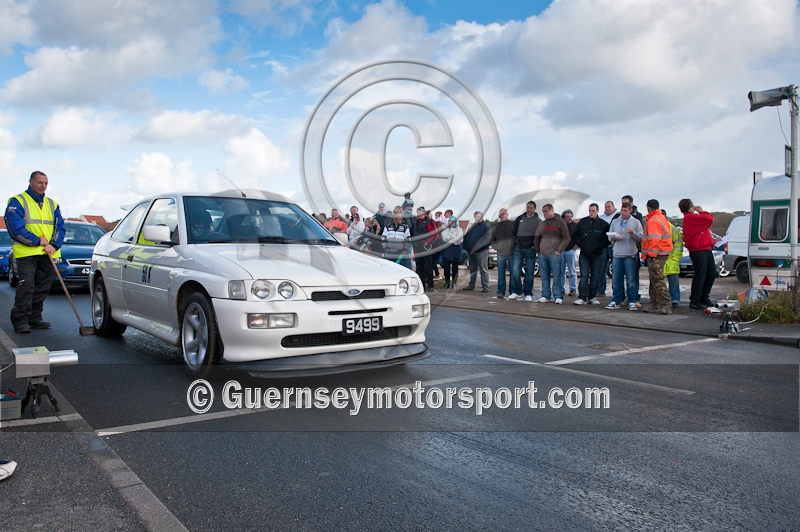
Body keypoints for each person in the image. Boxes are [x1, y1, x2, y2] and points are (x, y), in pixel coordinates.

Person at [6, 171, 66, 333]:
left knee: (42, 286)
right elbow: (15, 228)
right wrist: (37, 241)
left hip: (48, 253)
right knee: (27, 286)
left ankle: (35, 318)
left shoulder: (52, 204)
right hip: (27, 253)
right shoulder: (17, 202)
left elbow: (60, 227)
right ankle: (20, 320)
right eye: (40, 182)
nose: (43, 186)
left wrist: (54, 245)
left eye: (46, 183)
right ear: (31, 182)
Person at [679, 198, 717, 310]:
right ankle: (696, 300)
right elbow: (709, 219)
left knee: (711, 273)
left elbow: (704, 228)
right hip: (698, 250)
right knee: (701, 274)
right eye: (692, 205)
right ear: (689, 207)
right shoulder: (690, 218)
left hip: (705, 248)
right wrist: (701, 211)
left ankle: (703, 297)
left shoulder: (693, 219)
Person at [605, 202, 643, 311]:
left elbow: (641, 238)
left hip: (630, 254)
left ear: (630, 211)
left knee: (631, 280)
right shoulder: (615, 221)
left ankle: (632, 300)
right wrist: (614, 237)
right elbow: (609, 236)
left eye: (625, 210)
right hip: (617, 253)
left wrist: (633, 233)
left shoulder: (635, 222)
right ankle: (616, 300)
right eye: (621, 210)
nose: (623, 212)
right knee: (616, 279)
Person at [573, 203, 610, 305]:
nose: (591, 213)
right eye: (590, 211)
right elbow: (575, 235)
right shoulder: (583, 222)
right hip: (584, 253)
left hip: (597, 254)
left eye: (593, 211)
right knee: (584, 276)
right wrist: (581, 244)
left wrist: (599, 247)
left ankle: (592, 297)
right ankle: (582, 297)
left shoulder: (604, 224)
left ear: (597, 211)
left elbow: (607, 240)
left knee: (595, 276)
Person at [641, 199, 673, 314]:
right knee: (654, 279)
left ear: (648, 208)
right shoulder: (661, 218)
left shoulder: (653, 221)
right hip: (661, 253)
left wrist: (651, 254)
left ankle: (665, 305)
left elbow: (654, 239)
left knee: (657, 280)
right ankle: (654, 304)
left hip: (657, 254)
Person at [534, 204, 570, 304]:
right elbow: (537, 237)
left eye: (546, 211)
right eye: (543, 211)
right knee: (544, 276)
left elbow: (566, 238)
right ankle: (546, 295)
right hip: (542, 254)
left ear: (551, 210)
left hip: (555, 254)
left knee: (557, 276)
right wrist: (538, 250)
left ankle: (558, 296)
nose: (544, 213)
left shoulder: (560, 222)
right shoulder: (542, 223)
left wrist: (559, 250)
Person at [510, 201, 540, 301]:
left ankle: (528, 293)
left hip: (530, 249)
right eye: (527, 207)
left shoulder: (538, 221)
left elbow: (539, 236)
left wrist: (535, 247)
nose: (528, 209)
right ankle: (517, 291)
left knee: (529, 272)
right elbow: (513, 233)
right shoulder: (520, 219)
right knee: (515, 270)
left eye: (531, 208)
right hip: (518, 248)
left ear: (534, 209)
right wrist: (513, 245)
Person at [462, 211, 491, 292]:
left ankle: (485, 287)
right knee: (472, 269)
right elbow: (466, 237)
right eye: (475, 217)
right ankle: (471, 285)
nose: (476, 218)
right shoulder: (472, 227)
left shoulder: (485, 227)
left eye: (477, 217)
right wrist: (466, 247)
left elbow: (487, 239)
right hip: (471, 252)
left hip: (482, 251)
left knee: (483, 269)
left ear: (481, 217)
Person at [490, 208, 515, 299]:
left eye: (505, 214)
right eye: (502, 214)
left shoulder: (513, 224)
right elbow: (492, 239)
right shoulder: (496, 226)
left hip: (511, 253)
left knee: (513, 273)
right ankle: (500, 291)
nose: (503, 215)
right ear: (499, 216)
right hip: (500, 254)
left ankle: (512, 291)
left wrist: (513, 247)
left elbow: (516, 237)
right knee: (501, 274)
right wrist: (497, 248)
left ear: (507, 215)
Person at [411, 206, 437, 291]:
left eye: (420, 212)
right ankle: (421, 285)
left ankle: (430, 285)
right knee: (419, 267)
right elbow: (412, 234)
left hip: (426, 247)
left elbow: (435, 234)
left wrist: (428, 242)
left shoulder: (429, 221)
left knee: (428, 266)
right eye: (417, 212)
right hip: (417, 247)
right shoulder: (415, 222)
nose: (418, 213)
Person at [597, 201, 617, 296]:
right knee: (601, 269)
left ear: (613, 207)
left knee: (615, 270)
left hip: (615, 245)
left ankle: (616, 291)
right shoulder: (601, 218)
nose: (607, 208)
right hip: (603, 246)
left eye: (609, 206)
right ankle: (601, 290)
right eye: (606, 207)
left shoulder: (618, 217)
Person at [664, 212, 683, 308]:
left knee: (673, 281)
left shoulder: (672, 229)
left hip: (670, 260)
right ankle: (667, 300)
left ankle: (674, 300)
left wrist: (674, 258)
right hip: (664, 259)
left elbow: (678, 244)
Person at [440, 216, 463, 289]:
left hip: (456, 249)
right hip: (447, 250)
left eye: (453, 221)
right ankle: (447, 283)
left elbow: (459, 239)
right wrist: (452, 238)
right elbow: (444, 237)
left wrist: (450, 240)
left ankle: (454, 283)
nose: (451, 223)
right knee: (446, 267)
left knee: (455, 268)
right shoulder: (446, 229)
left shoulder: (459, 230)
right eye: (450, 221)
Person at [561, 209, 579, 296]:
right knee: (561, 271)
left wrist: (575, 247)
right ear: (563, 217)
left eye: (571, 217)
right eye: (568, 217)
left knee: (572, 271)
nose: (570, 219)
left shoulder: (575, 226)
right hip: (561, 251)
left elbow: (579, 237)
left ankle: (573, 289)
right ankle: (561, 289)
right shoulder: (560, 226)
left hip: (571, 251)